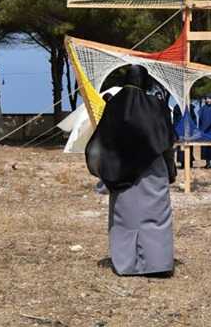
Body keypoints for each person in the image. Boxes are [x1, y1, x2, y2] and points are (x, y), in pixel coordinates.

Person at [85, 65, 176, 277]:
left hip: (121, 171)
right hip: (153, 170)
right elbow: (167, 140)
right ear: (145, 83)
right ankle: (158, 265)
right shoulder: (157, 106)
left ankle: (126, 265)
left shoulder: (114, 106)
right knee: (155, 218)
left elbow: (103, 141)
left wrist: (106, 173)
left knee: (125, 219)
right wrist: (170, 170)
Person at [197, 96, 211, 169]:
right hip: (204, 131)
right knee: (205, 148)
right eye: (206, 99)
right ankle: (207, 163)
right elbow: (200, 120)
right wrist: (200, 130)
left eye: (209, 99)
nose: (208, 100)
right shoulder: (203, 108)